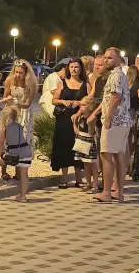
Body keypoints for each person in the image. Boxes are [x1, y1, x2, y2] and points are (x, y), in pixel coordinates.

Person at [94, 47, 132, 203]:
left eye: (110, 58)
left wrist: (108, 118)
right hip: (122, 121)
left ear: (117, 59)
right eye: (106, 58)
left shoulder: (116, 75)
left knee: (106, 155)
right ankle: (119, 192)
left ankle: (107, 192)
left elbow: (115, 98)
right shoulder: (119, 75)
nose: (106, 60)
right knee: (118, 156)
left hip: (115, 121)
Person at [51, 57, 88, 188]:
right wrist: (63, 101)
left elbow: (90, 100)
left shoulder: (85, 84)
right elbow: (54, 100)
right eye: (71, 67)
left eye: (76, 67)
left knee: (78, 146)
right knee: (63, 146)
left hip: (79, 118)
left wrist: (79, 102)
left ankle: (79, 179)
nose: (73, 69)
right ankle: (64, 178)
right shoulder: (62, 83)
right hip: (64, 118)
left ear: (81, 69)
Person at [0, 104, 32, 201]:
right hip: (26, 152)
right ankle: (22, 197)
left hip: (14, 153)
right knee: (24, 174)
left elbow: (0, 143)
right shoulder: (19, 126)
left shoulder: (4, 127)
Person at [4, 59, 38, 154]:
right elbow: (5, 97)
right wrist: (10, 97)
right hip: (11, 110)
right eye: (16, 72)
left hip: (24, 111)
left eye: (21, 73)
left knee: (23, 136)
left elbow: (28, 103)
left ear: (26, 73)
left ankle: (22, 160)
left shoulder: (31, 84)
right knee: (8, 136)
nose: (18, 75)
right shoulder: (9, 80)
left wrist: (19, 104)